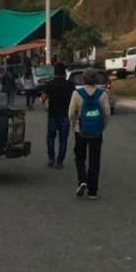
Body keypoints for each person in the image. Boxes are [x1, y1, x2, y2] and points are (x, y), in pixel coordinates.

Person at [69, 68, 111, 200]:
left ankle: (82, 181)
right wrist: (102, 126)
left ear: (83, 79)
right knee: (95, 160)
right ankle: (93, 191)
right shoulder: (102, 94)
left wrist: (73, 125)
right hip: (96, 132)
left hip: (80, 131)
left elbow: (71, 113)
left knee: (80, 157)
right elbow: (107, 113)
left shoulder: (77, 93)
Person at [40, 63, 75, 168]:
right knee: (63, 139)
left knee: (51, 137)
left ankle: (51, 158)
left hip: (53, 114)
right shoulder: (70, 85)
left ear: (54, 72)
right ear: (64, 72)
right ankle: (60, 161)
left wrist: (44, 101)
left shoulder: (49, 84)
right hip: (65, 115)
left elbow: (43, 98)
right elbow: (75, 98)